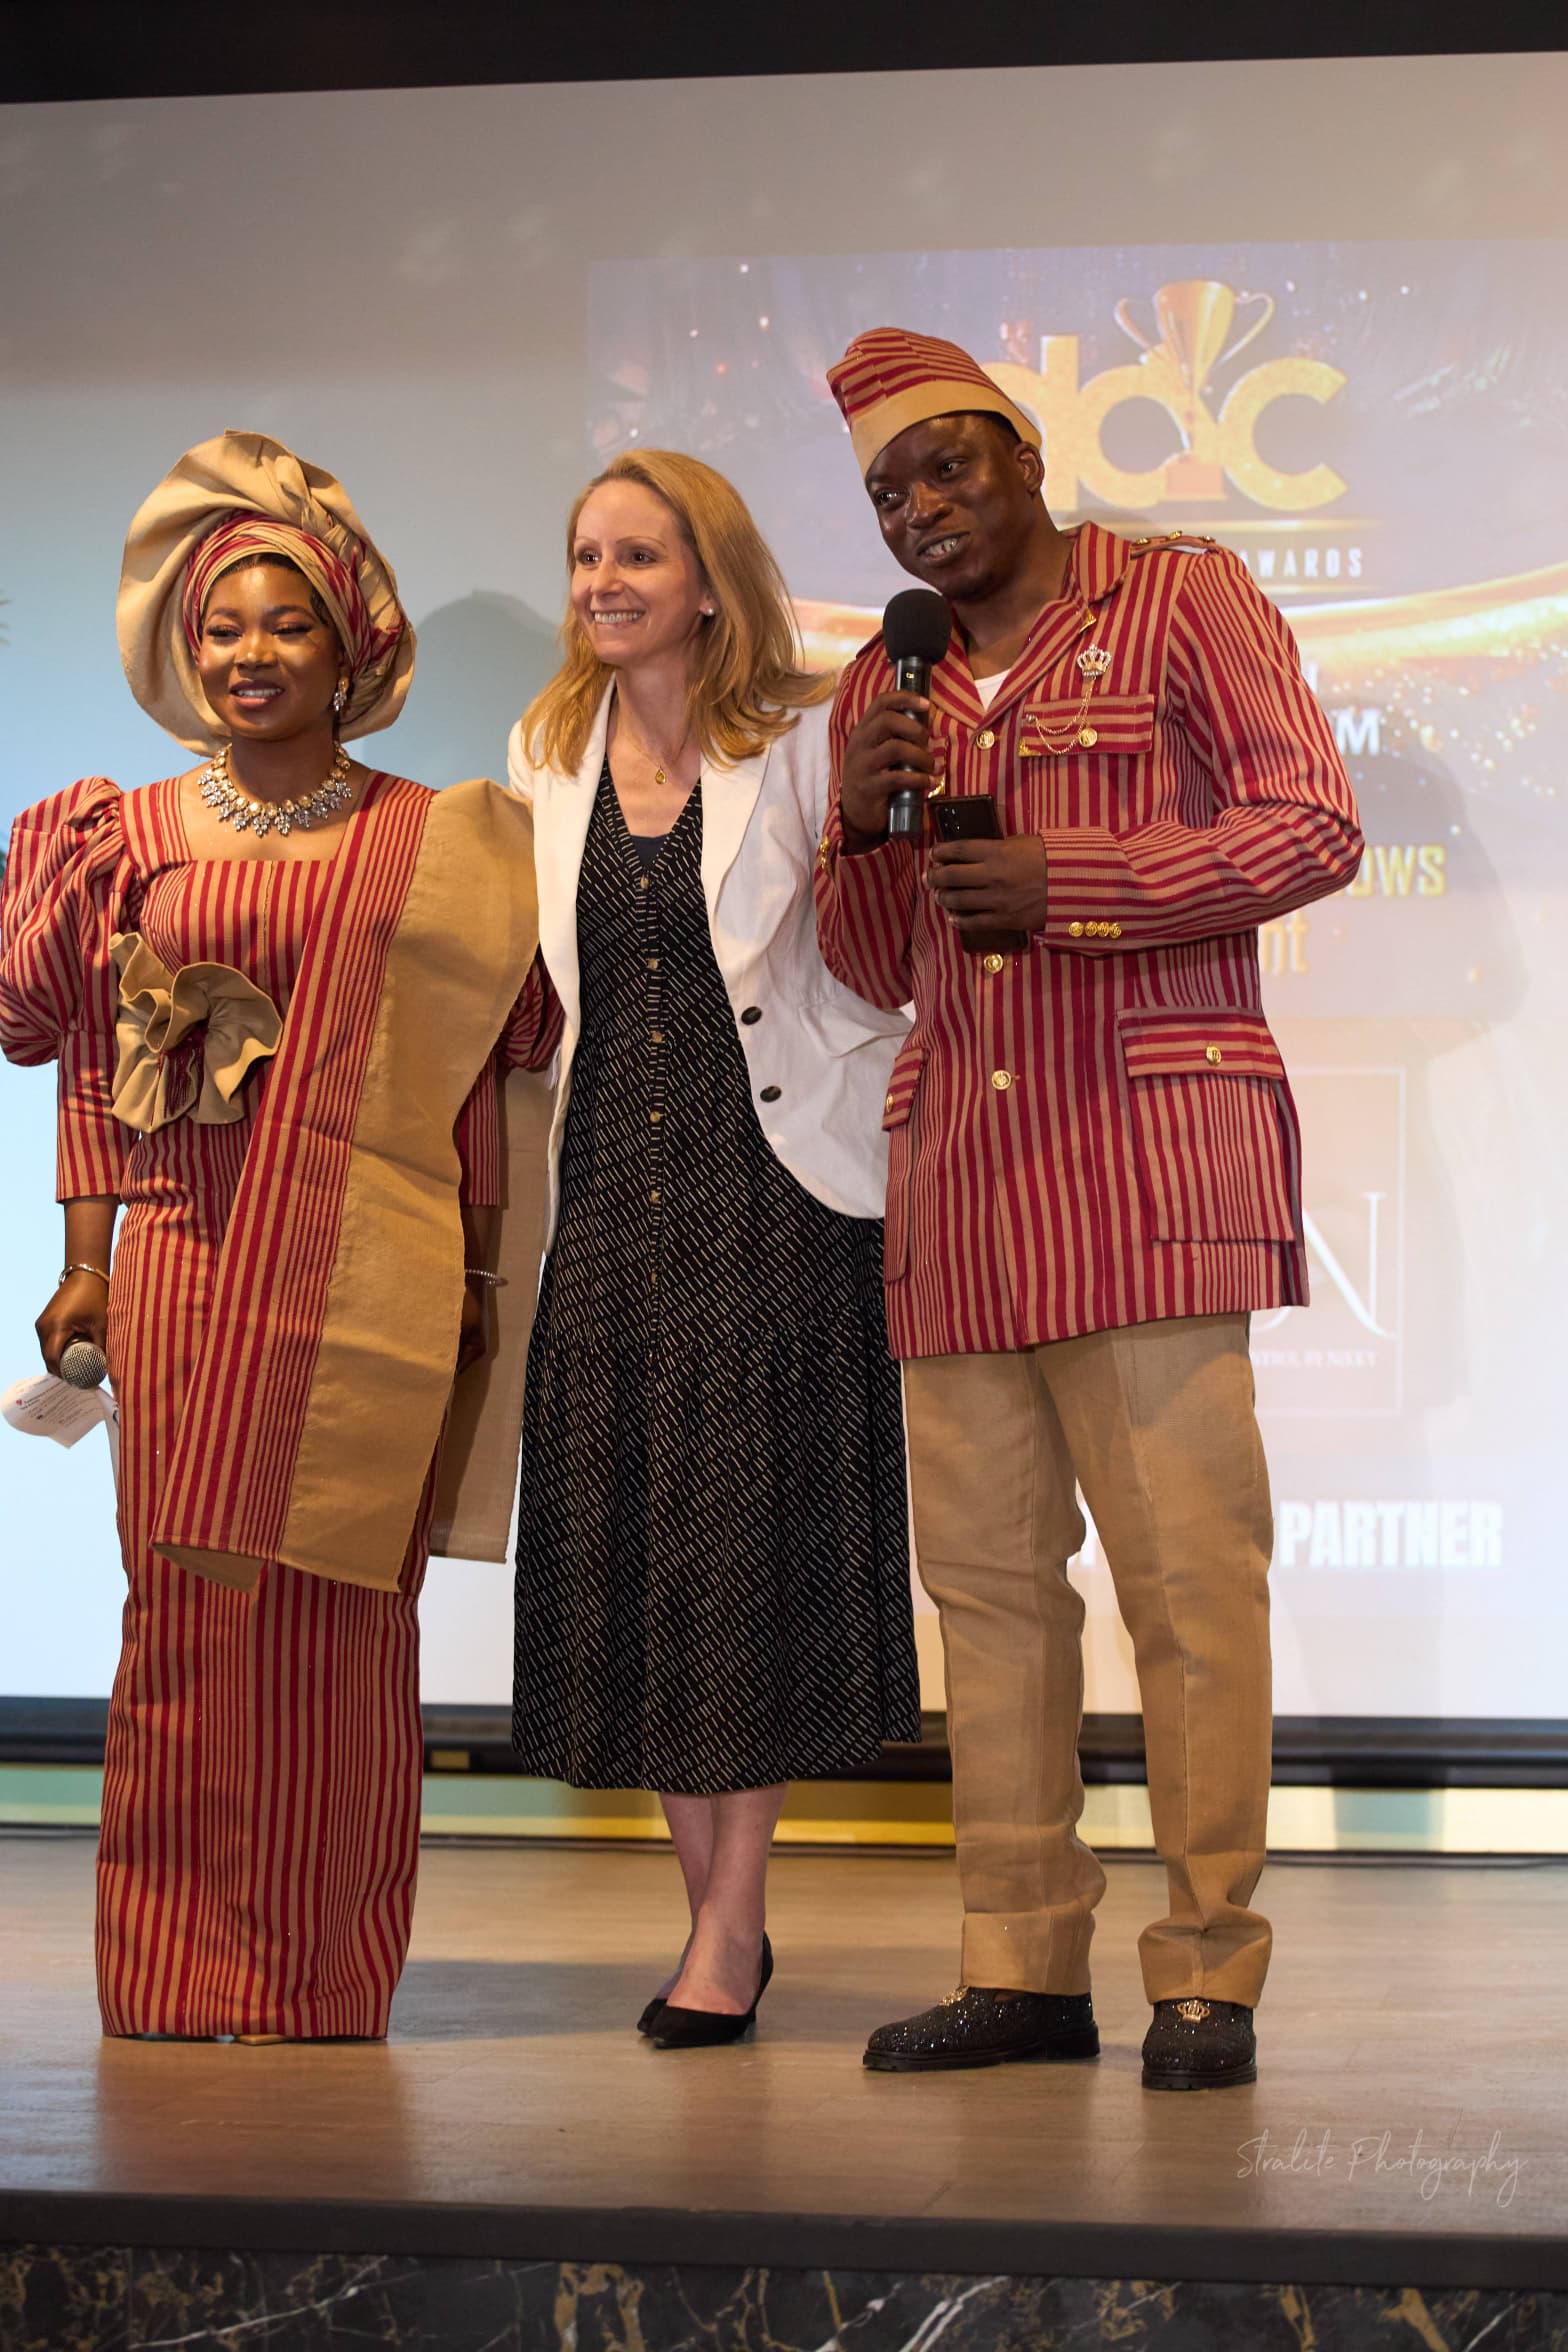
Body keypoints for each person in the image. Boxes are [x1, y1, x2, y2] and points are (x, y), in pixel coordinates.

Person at [814, 329, 1363, 2088]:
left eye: (946, 467)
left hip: (1148, 1170)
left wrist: (1081, 883)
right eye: (888, 492)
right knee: (988, 1601)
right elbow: (866, 965)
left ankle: (1206, 1971)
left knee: (1190, 1587)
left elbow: (1314, 824)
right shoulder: (882, 685)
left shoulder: (1181, 599)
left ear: (1025, 455)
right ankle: (1024, 1967)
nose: (920, 509)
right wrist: (858, 826)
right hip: (961, 1192)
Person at [0, 432, 541, 2041]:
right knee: (181, 1615)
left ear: (350, 643)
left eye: (286, 623)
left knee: (348, 1622)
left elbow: (474, 1084)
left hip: (377, 1265)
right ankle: (173, 1972)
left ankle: (318, 1980)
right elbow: (94, 1063)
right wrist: (85, 1259)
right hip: (183, 1257)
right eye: (223, 627)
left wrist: (479, 1274)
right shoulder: (128, 834)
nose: (251, 653)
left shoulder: (439, 840)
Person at [503, 449, 920, 2048]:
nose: (603, 582)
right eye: (584, 554)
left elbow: (873, 957)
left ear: (708, 580)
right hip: (611, 1196)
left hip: (777, 1195)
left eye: (637, 555)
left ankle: (726, 1933)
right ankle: (718, 1924)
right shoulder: (545, 751)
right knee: (651, 1566)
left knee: (739, 1565)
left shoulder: (805, 739)